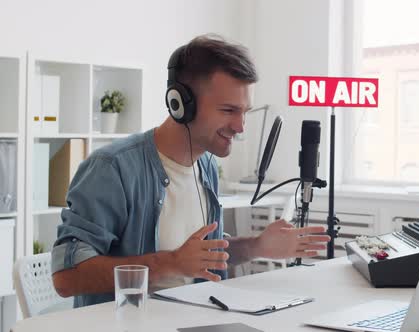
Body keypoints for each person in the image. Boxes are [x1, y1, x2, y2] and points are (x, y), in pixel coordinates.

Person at [51, 34, 330, 308]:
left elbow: (202, 256)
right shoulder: (113, 169)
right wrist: (170, 263)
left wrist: (258, 246)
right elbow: (67, 277)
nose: (241, 126)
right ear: (180, 104)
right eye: (228, 110)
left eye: (245, 111)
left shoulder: (206, 165)